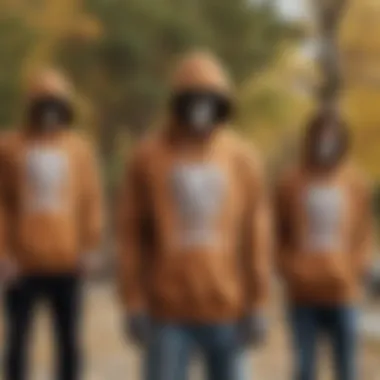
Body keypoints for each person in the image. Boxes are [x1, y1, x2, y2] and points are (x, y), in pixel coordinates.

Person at [117, 50, 272, 380]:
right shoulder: (148, 157)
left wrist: (258, 301)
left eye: (209, 99)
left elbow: (256, 234)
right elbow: (131, 235)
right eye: (193, 99)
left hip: (227, 308)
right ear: (179, 101)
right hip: (167, 311)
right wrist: (133, 301)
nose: (201, 108)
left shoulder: (241, 159)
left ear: (221, 102)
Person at [0, 68, 103, 380]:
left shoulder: (79, 150)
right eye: (43, 104)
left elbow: (90, 200)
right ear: (31, 106)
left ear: (65, 107)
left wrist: (90, 246)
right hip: (22, 264)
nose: (49, 112)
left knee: (69, 341)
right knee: (18, 340)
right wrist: (3, 254)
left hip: (67, 261)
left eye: (55, 104)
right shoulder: (9, 147)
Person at [275, 109, 374, 380]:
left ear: (341, 139)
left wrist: (356, 267)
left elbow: (363, 233)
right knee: (305, 369)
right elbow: (276, 233)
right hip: (303, 293)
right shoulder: (291, 182)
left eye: (332, 135)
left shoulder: (355, 182)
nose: (325, 141)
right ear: (311, 138)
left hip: (343, 291)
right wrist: (288, 267)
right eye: (321, 135)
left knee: (347, 368)